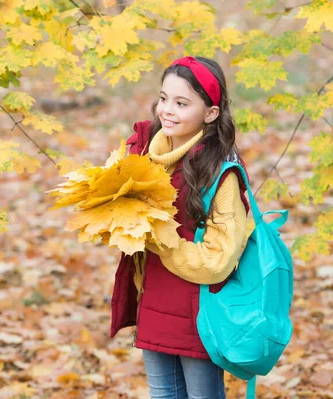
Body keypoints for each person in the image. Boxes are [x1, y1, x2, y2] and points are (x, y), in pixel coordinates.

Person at [110, 56, 251, 399]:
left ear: (211, 113)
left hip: (199, 314)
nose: (167, 110)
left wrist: (160, 237)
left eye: (182, 103)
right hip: (155, 302)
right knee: (163, 394)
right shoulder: (143, 155)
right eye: (164, 98)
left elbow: (219, 259)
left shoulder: (220, 172)